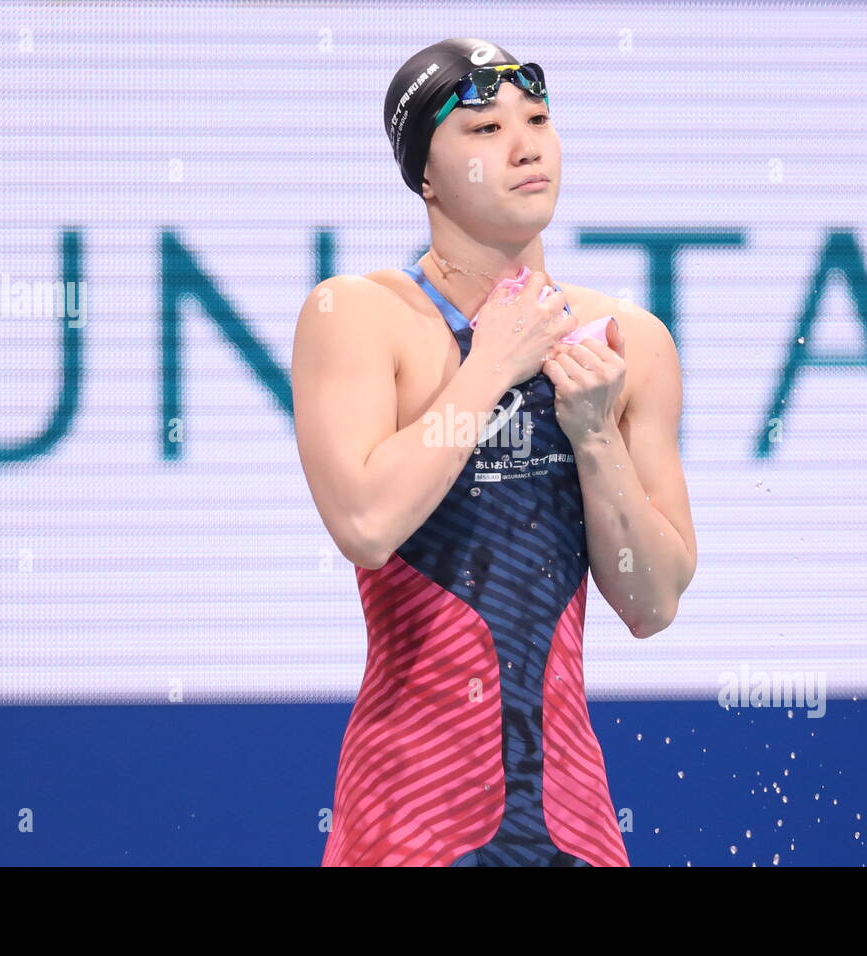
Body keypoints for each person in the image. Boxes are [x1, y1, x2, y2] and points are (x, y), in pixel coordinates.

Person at [293, 38, 696, 866]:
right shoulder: (358, 318)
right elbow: (367, 524)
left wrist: (592, 436)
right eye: (482, 128)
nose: (524, 144)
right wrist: (492, 366)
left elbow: (653, 603)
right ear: (425, 177)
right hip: (406, 822)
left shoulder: (629, 342)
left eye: (539, 119)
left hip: (573, 825)